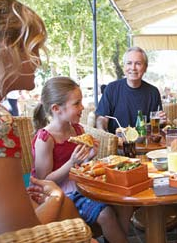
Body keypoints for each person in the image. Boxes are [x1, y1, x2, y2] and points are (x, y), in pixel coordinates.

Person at [0, 0, 79, 239]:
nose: (39, 60)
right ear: (6, 47)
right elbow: (22, 235)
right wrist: (55, 197)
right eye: (34, 48)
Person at [32, 77, 133, 243]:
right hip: (58, 194)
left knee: (126, 204)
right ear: (57, 109)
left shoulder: (77, 129)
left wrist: (89, 156)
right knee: (106, 214)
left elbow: (81, 166)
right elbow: (43, 180)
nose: (82, 107)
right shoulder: (45, 138)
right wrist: (71, 163)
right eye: (77, 103)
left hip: (81, 185)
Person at [95, 46, 166, 134]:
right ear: (124, 66)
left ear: (145, 68)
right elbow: (102, 118)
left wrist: (161, 122)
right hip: (117, 143)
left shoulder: (153, 92)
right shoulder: (111, 89)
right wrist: (102, 131)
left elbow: (155, 125)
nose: (133, 68)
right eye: (129, 63)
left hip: (144, 142)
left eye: (138, 63)